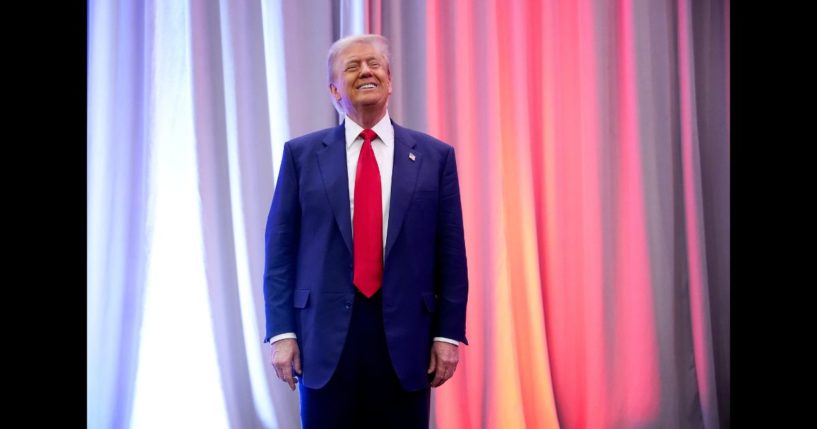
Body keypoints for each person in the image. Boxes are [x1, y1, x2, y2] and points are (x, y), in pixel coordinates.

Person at [263, 33, 468, 429]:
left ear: (390, 80)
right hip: (322, 339)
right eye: (352, 67)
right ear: (333, 90)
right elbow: (280, 250)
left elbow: (451, 252)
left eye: (374, 64)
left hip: (408, 340)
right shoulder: (301, 156)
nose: (365, 72)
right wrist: (282, 332)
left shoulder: (435, 157)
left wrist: (447, 334)